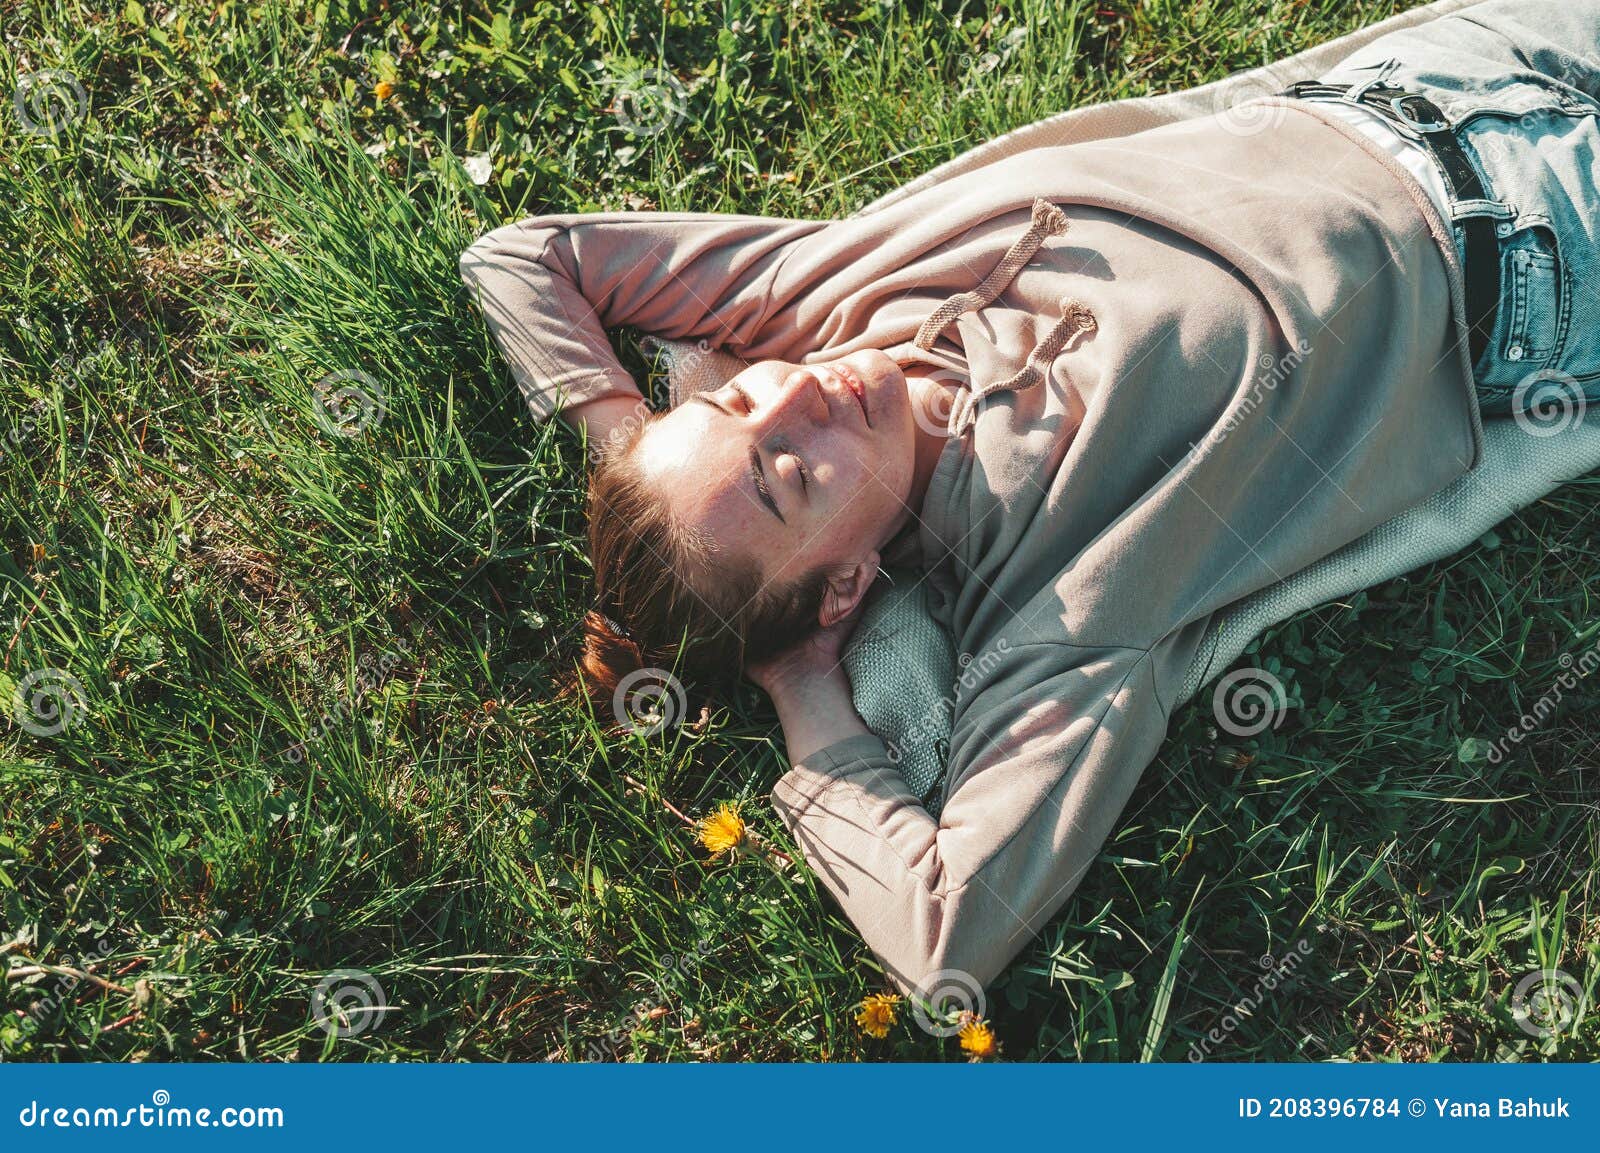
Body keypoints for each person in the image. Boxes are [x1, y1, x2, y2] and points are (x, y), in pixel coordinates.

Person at [459, 0, 1600, 998]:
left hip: (1436, 76)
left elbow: (520, 257)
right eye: (786, 476)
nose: (796, 394)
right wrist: (801, 685)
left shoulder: (821, 300)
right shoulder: (1058, 591)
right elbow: (940, 933)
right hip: (1542, 250)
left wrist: (627, 446)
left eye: (737, 402)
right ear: (846, 583)